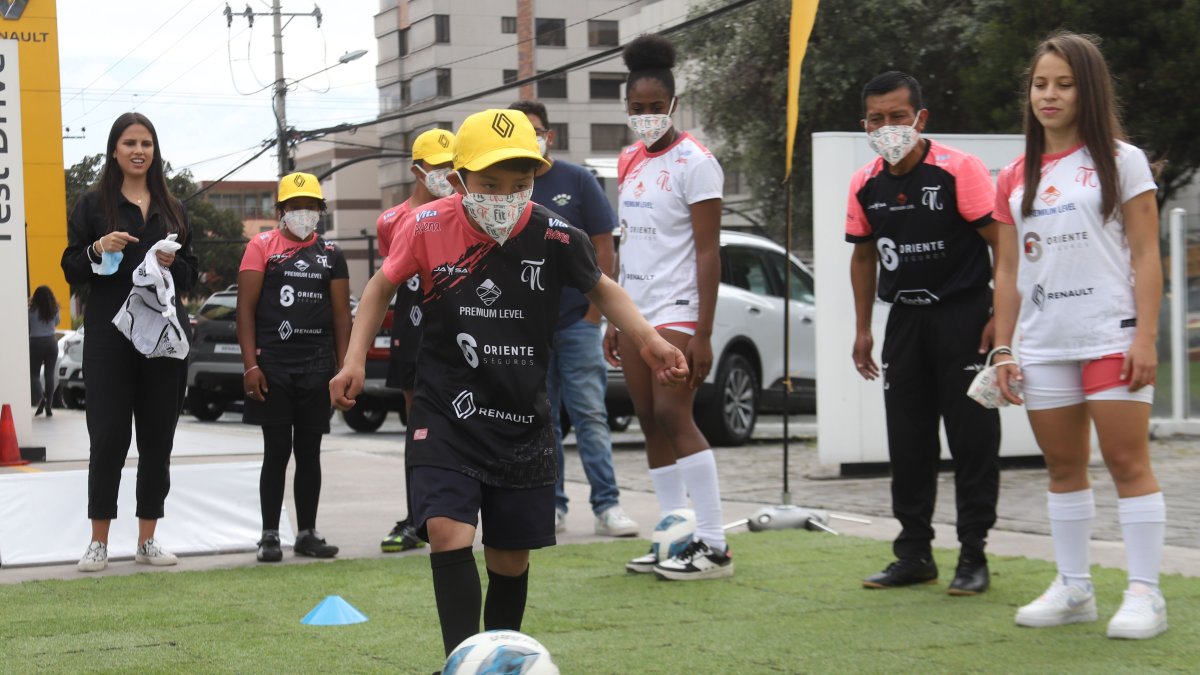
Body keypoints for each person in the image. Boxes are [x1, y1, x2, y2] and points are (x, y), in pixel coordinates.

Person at [329, 108, 687, 659]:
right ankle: (463, 661)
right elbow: (379, 288)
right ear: (460, 179)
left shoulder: (556, 234)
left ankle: (495, 659)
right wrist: (354, 360)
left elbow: (603, 288)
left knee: (509, 558)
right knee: (449, 531)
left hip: (521, 415)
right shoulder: (426, 226)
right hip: (446, 409)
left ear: (535, 179)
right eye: (490, 184)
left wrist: (649, 339)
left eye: (520, 184)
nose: (505, 196)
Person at [992, 32, 1168, 639]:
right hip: (1043, 345)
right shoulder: (1015, 173)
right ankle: (1074, 588)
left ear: (1087, 89)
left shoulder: (1123, 160)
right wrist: (1004, 347)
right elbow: (1009, 269)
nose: (1049, 94)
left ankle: (1146, 593)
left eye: (1064, 84)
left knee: (1125, 461)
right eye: (1041, 83)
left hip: (1109, 336)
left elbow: (1147, 255)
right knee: (1063, 467)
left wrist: (1145, 338)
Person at [846, 71, 1015, 595]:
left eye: (899, 117)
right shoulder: (865, 181)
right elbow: (863, 254)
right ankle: (914, 553)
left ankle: (973, 556)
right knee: (909, 442)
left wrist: (998, 317)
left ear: (921, 119)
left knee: (973, 441)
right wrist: (862, 329)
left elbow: (1002, 246)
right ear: (865, 124)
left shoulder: (957, 170)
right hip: (905, 323)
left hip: (965, 319)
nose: (888, 127)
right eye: (877, 119)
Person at [604, 35, 731, 581]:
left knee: (675, 414)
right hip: (636, 310)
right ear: (627, 109)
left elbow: (708, 251)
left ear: (673, 105)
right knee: (650, 420)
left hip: (679, 311)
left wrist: (702, 333)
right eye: (638, 109)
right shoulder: (628, 158)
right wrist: (616, 316)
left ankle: (715, 545)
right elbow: (627, 239)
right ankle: (673, 538)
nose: (647, 117)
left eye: (656, 108)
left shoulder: (697, 163)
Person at [61, 112, 199, 573]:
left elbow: (191, 275)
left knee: (158, 438)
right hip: (109, 336)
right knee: (108, 437)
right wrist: (98, 248)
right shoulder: (92, 205)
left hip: (163, 337)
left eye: (146, 143)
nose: (138, 151)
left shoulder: (173, 207)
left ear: (154, 151)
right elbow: (70, 268)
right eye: (129, 143)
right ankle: (98, 541)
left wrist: (169, 259)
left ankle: (148, 539)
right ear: (114, 150)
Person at [509, 99, 639, 539]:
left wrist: (594, 312)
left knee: (590, 415)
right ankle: (553, 504)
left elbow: (604, 246)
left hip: (577, 323)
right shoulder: (509, 184)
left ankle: (608, 505)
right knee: (541, 421)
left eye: (535, 130)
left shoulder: (577, 180)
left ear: (550, 135)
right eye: (519, 130)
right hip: (530, 329)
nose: (530, 138)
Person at [237, 172, 351, 563]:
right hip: (273, 366)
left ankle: (307, 532)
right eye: (295, 206)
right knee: (276, 451)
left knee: (310, 451)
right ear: (281, 210)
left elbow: (342, 318)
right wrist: (250, 365)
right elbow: (245, 310)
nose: (303, 213)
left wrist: (344, 369)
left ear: (321, 210)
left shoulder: (331, 254)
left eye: (311, 206)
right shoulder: (261, 246)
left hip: (317, 367)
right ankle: (270, 535)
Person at [376, 127, 456, 554]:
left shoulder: (465, 211)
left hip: (459, 323)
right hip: (412, 325)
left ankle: (454, 514)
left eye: (452, 167)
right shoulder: (391, 220)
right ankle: (416, 517)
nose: (445, 174)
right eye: (438, 167)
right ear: (418, 170)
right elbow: (392, 279)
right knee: (417, 427)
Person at [28, 285, 61, 417]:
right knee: (49, 374)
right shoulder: (54, 308)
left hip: (36, 343)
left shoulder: (31, 310)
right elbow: (57, 322)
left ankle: (41, 398)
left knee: (34, 374)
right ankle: (49, 405)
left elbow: (27, 325)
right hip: (52, 342)